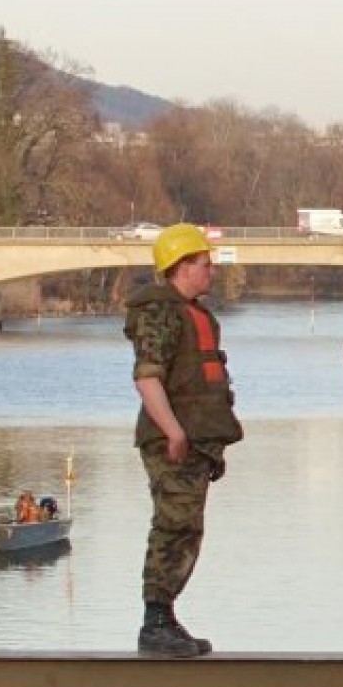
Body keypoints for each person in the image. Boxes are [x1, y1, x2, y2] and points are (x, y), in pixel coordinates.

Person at [124, 222, 241, 656]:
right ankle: (156, 622)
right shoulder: (161, 313)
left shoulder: (191, 313)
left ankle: (164, 619)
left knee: (186, 529)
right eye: (203, 264)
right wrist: (173, 432)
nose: (211, 271)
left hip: (195, 442)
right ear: (180, 267)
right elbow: (147, 377)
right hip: (172, 441)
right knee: (173, 527)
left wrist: (209, 446)